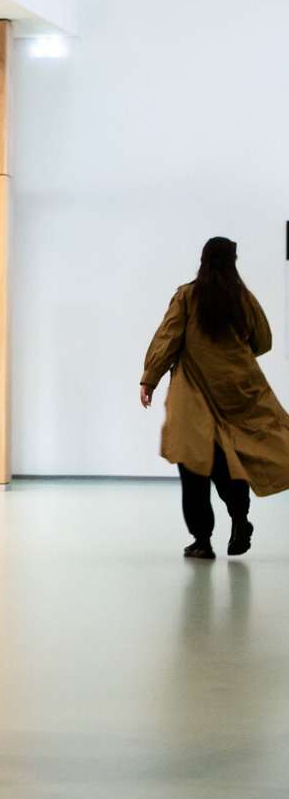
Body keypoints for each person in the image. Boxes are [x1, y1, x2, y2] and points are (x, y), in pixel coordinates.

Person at [141, 236, 289, 560]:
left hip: (192, 395)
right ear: (233, 261)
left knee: (194, 466)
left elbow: (168, 338)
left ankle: (202, 541)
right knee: (229, 464)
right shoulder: (242, 298)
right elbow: (263, 340)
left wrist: (150, 379)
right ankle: (240, 520)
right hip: (236, 392)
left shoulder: (187, 296)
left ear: (203, 259)